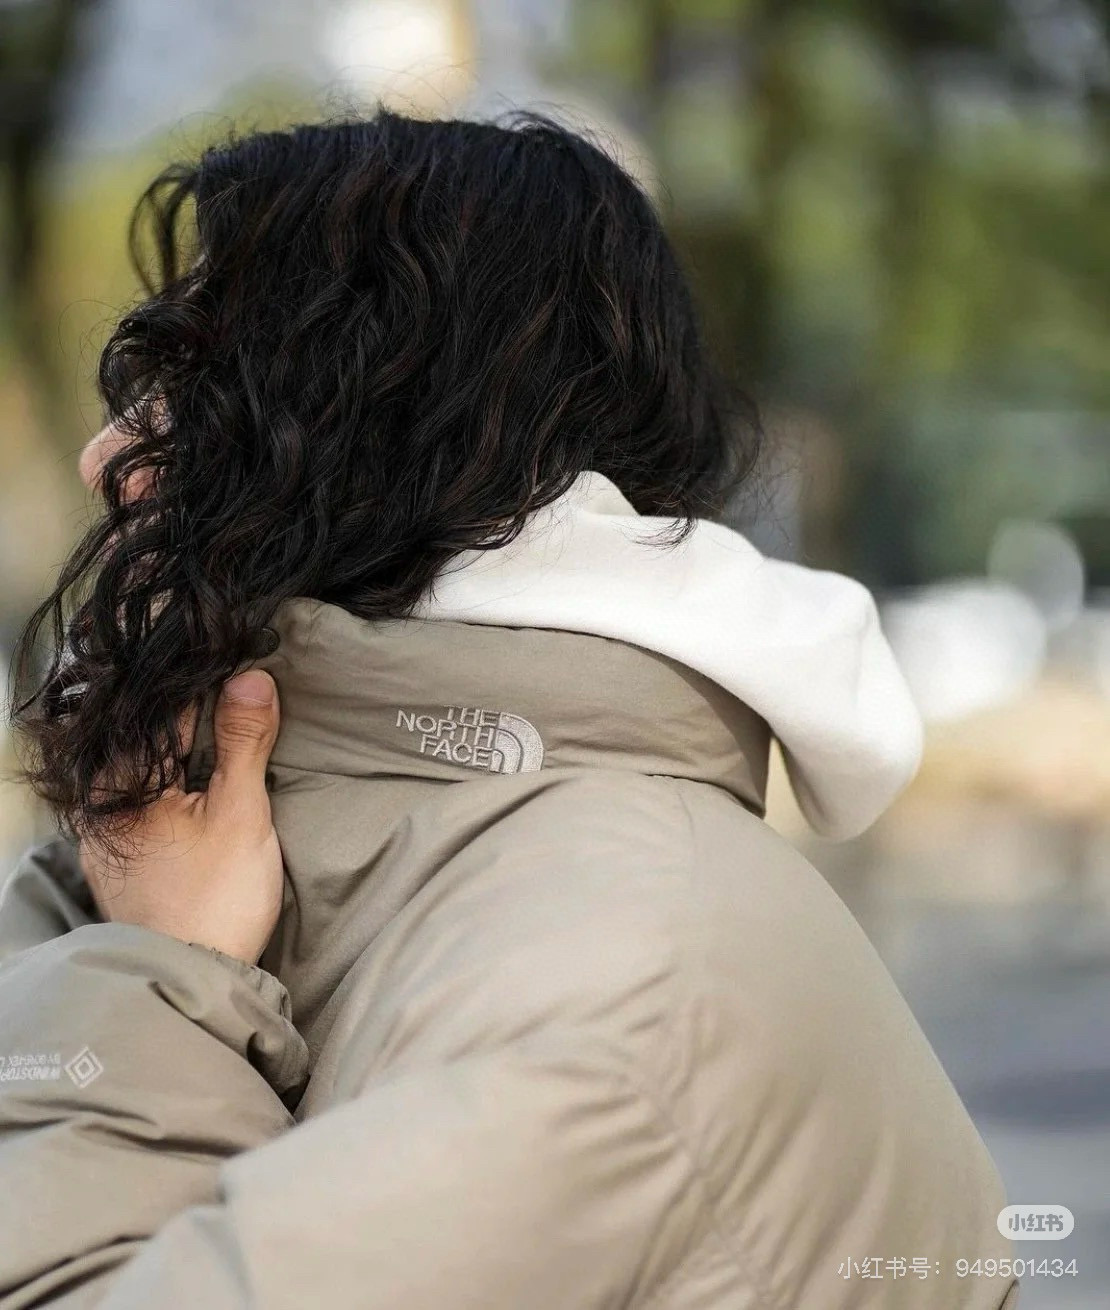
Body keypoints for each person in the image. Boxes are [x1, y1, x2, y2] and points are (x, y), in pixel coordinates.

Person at [0, 112, 1018, 1309]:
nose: (108, 458)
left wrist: (155, 977)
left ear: (378, 436)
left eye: (195, 395)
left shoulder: (618, 995)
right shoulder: (225, 844)